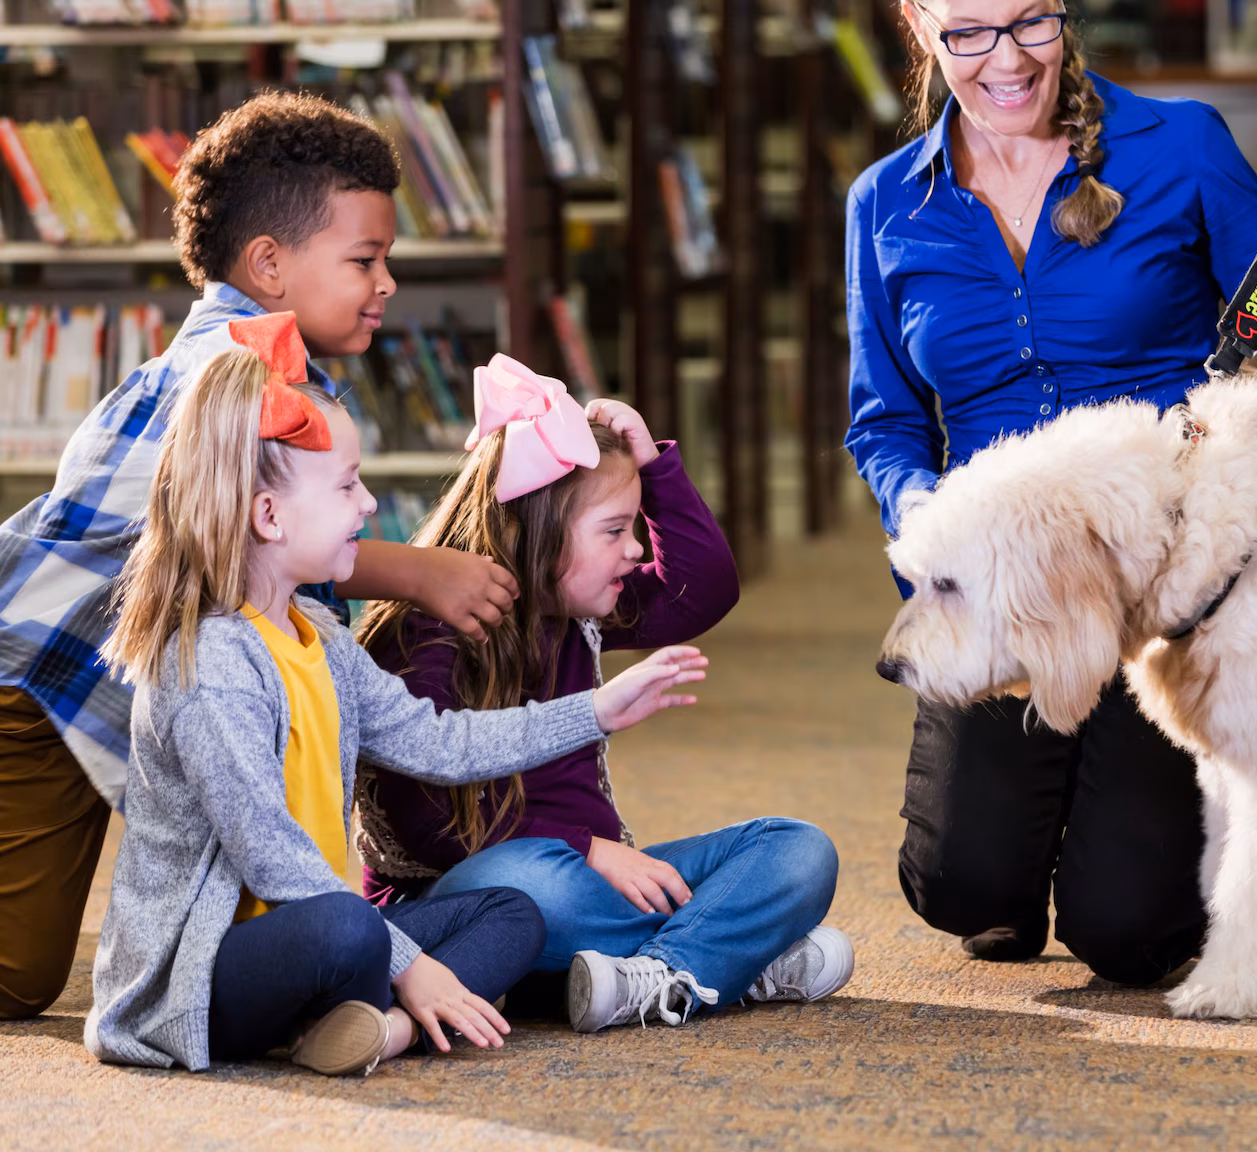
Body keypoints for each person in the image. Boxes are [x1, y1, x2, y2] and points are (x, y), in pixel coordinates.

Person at [844, 0, 1257, 983]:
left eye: (1028, 23)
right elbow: (881, 421)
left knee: (1131, 933)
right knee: (960, 888)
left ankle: (1157, 854)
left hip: (1167, 585)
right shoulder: (885, 204)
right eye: (967, 32)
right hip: (1001, 594)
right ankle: (1031, 841)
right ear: (919, 26)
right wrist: (918, 512)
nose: (1005, 61)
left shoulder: (1179, 146)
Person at [0, 92, 517, 1020]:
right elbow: (230, 527)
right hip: (37, 683)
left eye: (386, 258)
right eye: (364, 260)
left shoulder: (279, 371)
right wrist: (417, 570)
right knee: (13, 978)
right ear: (270, 265)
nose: (387, 281)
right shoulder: (229, 376)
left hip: (120, 675)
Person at [86, 335, 703, 1075]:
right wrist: (411, 962)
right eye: (347, 487)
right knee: (349, 926)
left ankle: (383, 1030)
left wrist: (595, 711)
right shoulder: (212, 661)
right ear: (270, 515)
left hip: (309, 934)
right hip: (198, 981)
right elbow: (273, 859)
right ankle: (389, 1005)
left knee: (510, 912)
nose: (370, 504)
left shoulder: (321, 637)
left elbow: (443, 745)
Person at [356, 358, 849, 1033]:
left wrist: (655, 468)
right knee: (540, 887)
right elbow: (426, 823)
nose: (636, 548)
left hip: (595, 880)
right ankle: (719, 958)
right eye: (614, 531)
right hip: (475, 901)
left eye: (635, 524)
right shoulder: (423, 635)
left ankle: (652, 972)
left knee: (800, 850)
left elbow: (703, 590)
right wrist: (584, 848)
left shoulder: (579, 610)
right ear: (532, 536)